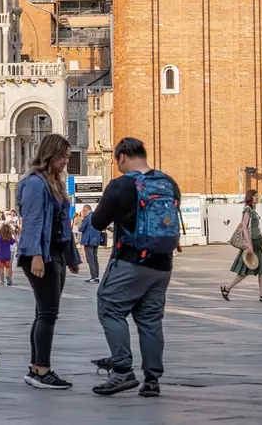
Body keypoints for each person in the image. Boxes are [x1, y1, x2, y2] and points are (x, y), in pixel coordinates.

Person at [89, 136, 182, 398]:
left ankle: (122, 371)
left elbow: (97, 222)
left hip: (131, 260)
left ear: (121, 157)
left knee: (110, 307)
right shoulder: (168, 182)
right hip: (163, 263)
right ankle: (152, 379)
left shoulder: (120, 186)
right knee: (151, 320)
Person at [17, 133, 81, 391]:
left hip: (54, 253)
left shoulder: (54, 182)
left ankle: (36, 367)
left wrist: (71, 257)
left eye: (67, 156)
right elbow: (33, 221)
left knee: (44, 312)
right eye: (63, 156)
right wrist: (36, 256)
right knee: (47, 313)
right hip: (41, 255)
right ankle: (41, 370)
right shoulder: (35, 183)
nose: (66, 160)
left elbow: (61, 224)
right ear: (50, 155)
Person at [220, 189, 262, 303]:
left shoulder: (252, 210)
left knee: (259, 269)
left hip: (256, 243)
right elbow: (244, 226)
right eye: (254, 196)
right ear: (249, 197)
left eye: (257, 196)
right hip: (252, 244)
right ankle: (227, 288)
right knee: (246, 270)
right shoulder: (248, 210)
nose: (256, 197)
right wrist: (249, 245)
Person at [78, 203, 104, 284]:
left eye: (83, 211)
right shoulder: (96, 216)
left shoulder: (87, 217)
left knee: (90, 259)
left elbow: (81, 229)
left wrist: (81, 224)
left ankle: (93, 276)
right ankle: (96, 276)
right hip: (96, 240)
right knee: (95, 258)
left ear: (85, 210)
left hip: (88, 241)